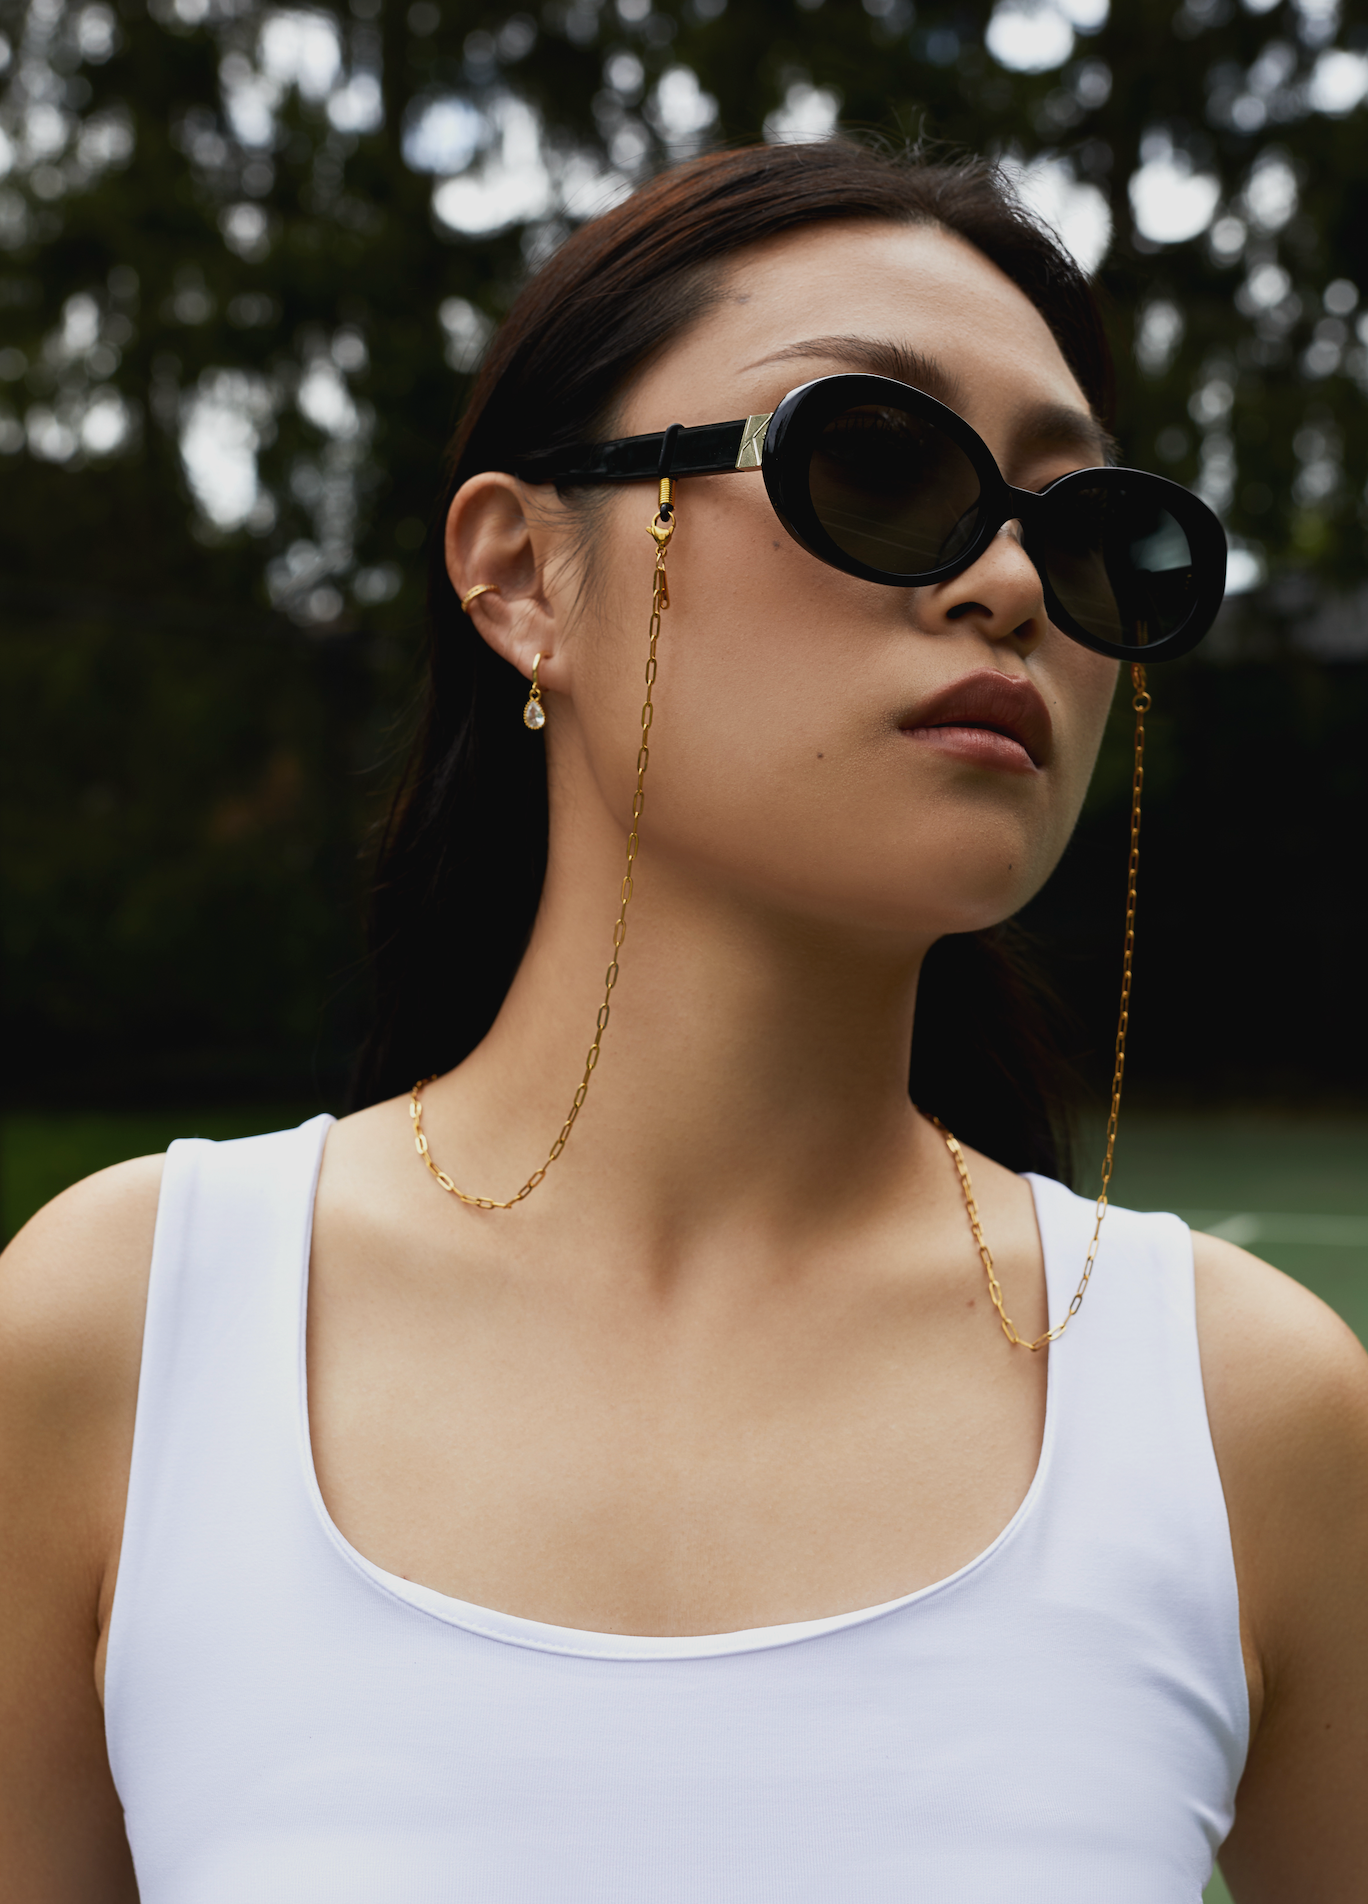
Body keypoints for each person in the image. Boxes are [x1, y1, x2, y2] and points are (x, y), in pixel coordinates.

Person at [1, 140, 1364, 1903]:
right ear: (520, 579)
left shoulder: (1249, 1415)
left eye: (1097, 530)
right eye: (877, 462)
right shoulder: (119, 1341)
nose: (1017, 586)